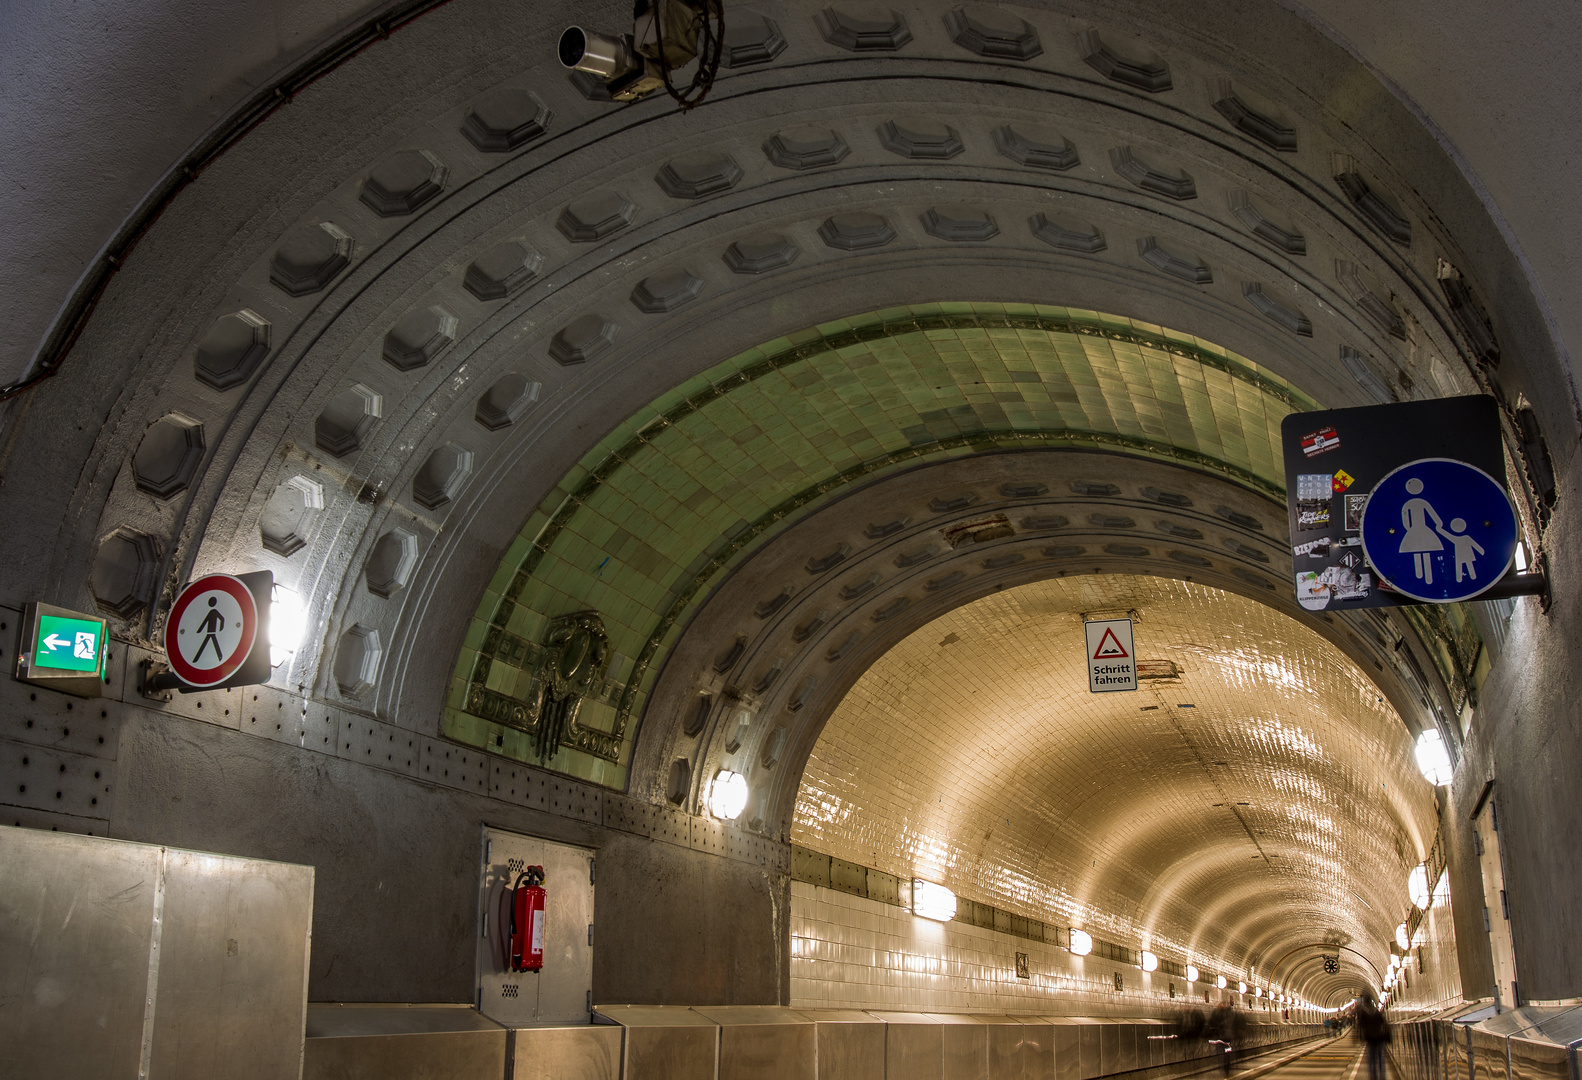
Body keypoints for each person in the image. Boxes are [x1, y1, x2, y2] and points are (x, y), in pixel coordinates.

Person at [1355, 989, 1390, 1080]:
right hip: (1379, 1037)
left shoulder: (1363, 1014)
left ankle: (1373, 1076)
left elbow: (1360, 1026)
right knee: (1380, 1057)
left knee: (1371, 1058)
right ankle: (1382, 1076)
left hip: (1369, 1038)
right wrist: (1388, 1036)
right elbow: (1384, 1024)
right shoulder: (1377, 1012)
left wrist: (1359, 1037)